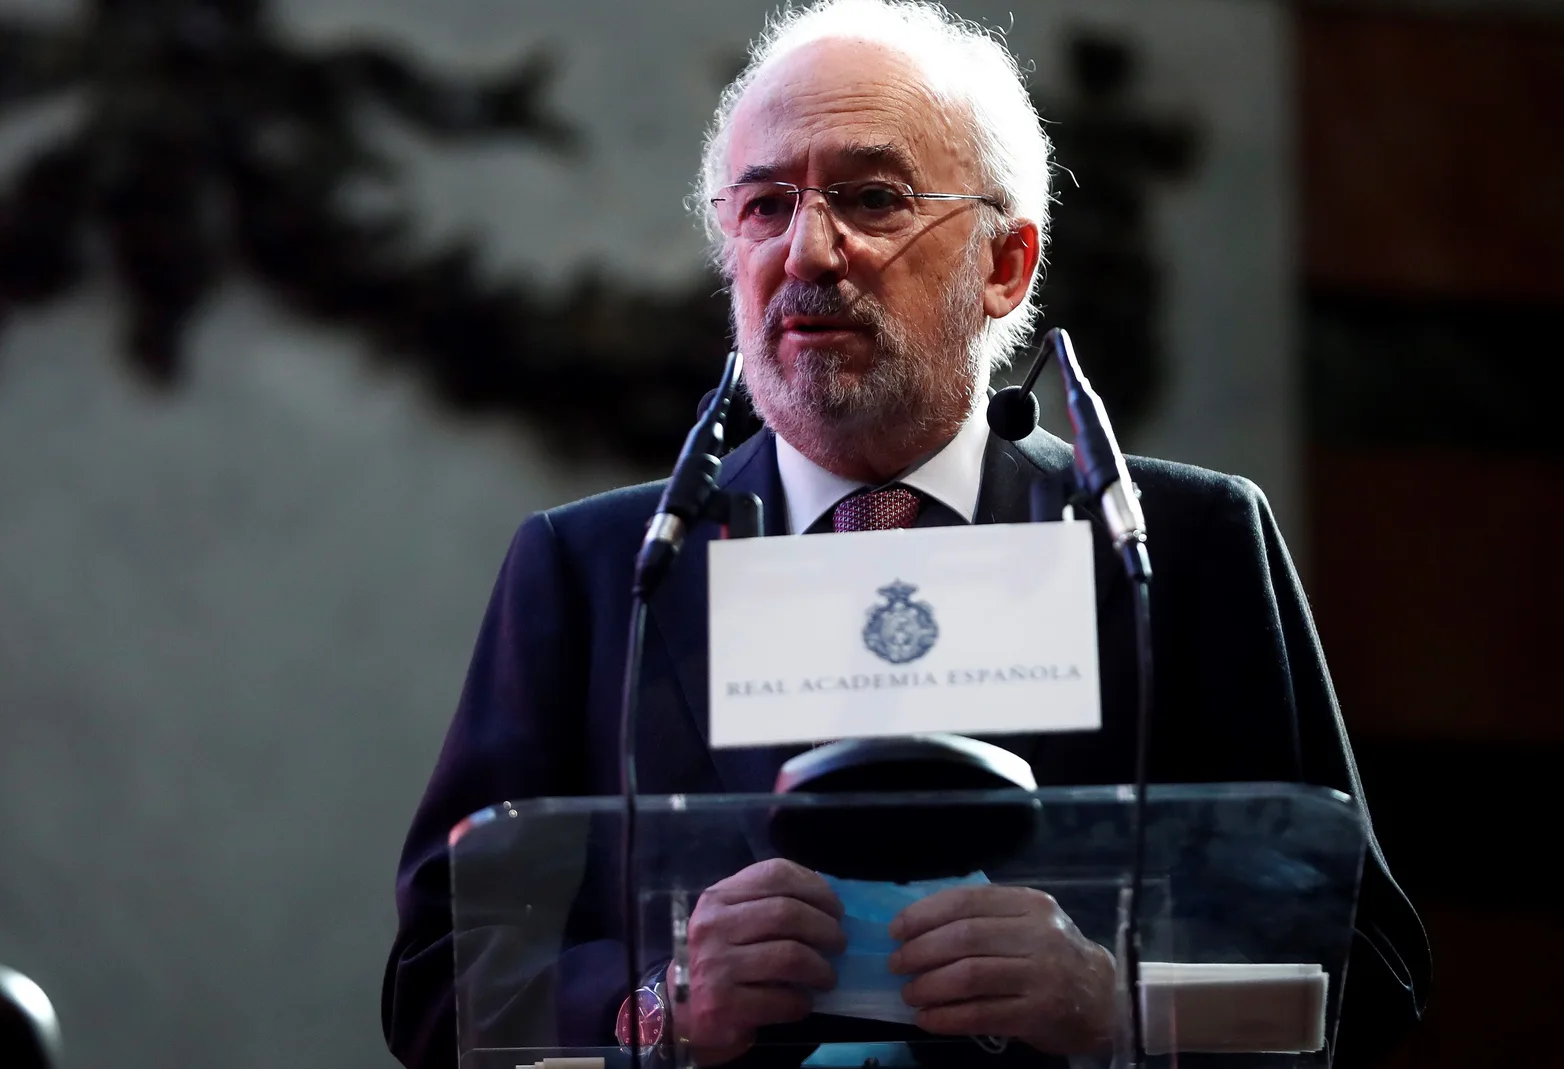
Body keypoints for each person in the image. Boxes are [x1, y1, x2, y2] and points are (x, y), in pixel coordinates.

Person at [382, 2, 1429, 1067]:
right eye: (763, 206)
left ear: (1005, 263)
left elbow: (1366, 975)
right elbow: (438, 987)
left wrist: (1117, 1001)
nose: (808, 250)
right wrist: (661, 1003)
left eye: (871, 198)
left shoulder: (1182, 549)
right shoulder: (599, 572)